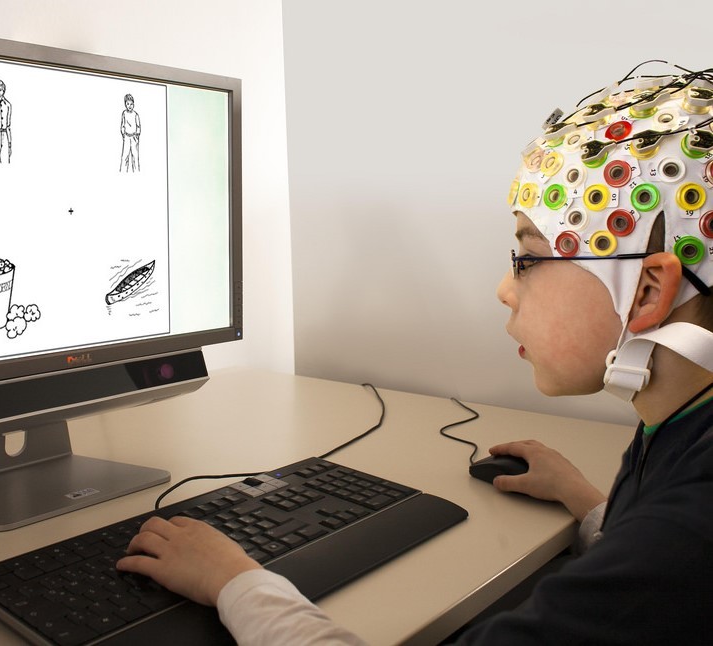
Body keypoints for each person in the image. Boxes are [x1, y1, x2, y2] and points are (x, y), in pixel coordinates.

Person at [117, 63, 713, 644]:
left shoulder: (686, 534)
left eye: (527, 259)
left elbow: (661, 567)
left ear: (647, 290)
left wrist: (236, 581)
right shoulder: (679, 426)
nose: (505, 289)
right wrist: (587, 503)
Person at [120, 93, 141, 172]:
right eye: (128, 104)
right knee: (125, 156)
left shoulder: (136, 115)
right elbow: (122, 125)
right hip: (126, 137)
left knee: (135, 156)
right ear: (125, 104)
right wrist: (123, 134)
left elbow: (138, 126)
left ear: (134, 104)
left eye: (131, 104)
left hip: (134, 137)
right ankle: (122, 171)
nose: (129, 106)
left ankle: (136, 172)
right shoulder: (124, 114)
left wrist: (137, 135)